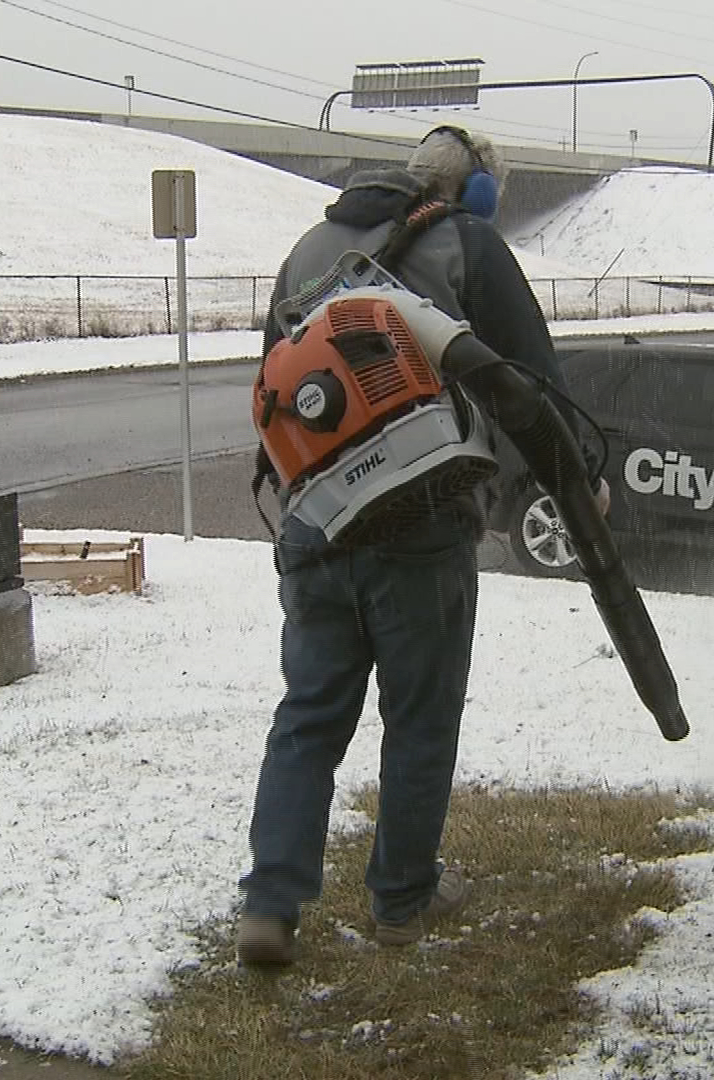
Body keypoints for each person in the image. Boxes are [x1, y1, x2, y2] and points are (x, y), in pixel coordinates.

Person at [236, 126, 608, 966]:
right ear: (474, 192)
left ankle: (271, 902)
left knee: (307, 718)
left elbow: (279, 390)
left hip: (315, 525)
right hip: (421, 529)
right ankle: (400, 900)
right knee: (420, 721)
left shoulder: (308, 249)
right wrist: (579, 478)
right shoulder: (467, 246)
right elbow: (529, 382)